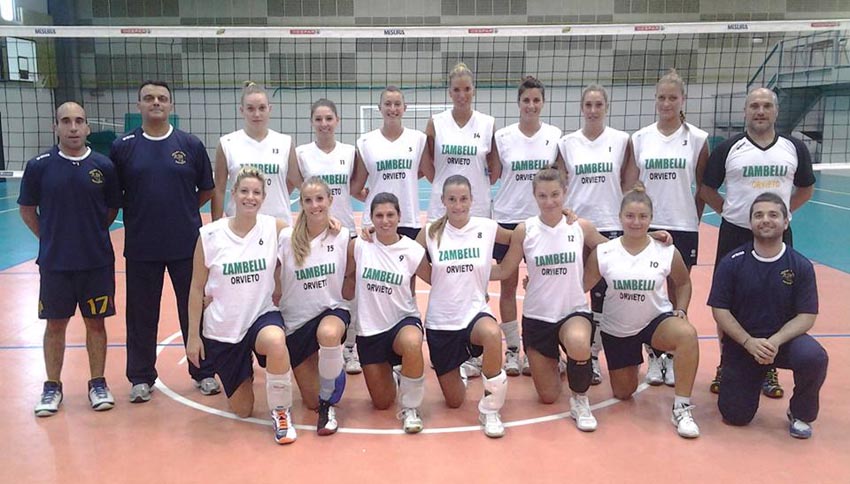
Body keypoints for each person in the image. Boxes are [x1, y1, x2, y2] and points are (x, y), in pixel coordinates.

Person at [700, 87, 816, 397]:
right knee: (728, 301)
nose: (760, 111)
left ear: (776, 111)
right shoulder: (729, 148)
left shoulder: (794, 148)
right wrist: (732, 213)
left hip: (777, 237)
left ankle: (770, 366)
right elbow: (707, 189)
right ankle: (727, 362)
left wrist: (780, 217)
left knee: (778, 300)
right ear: (745, 112)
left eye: (766, 105)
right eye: (754, 106)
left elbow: (805, 188)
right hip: (735, 233)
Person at [110, 80, 218, 403]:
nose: (155, 102)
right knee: (140, 314)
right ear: (139, 105)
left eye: (161, 98)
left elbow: (206, 189)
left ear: (171, 105)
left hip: (186, 243)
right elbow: (115, 194)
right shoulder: (123, 146)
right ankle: (141, 377)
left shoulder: (190, 144)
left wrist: (181, 209)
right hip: (142, 244)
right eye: (149, 98)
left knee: (194, 308)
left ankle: (204, 371)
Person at [19, 102, 121, 416]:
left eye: (79, 121)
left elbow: (111, 209)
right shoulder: (39, 166)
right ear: (56, 127)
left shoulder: (104, 166)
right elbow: (27, 210)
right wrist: (50, 238)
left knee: (96, 324)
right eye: (66, 121)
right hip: (56, 264)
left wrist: (91, 234)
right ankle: (52, 387)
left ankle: (98, 384)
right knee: (55, 325)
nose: (73, 127)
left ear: (88, 127)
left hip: (96, 262)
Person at [491, 167, 610, 432]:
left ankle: (580, 400)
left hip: (573, 312)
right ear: (534, 196)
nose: (549, 201)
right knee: (548, 396)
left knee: (578, 341)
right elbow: (505, 270)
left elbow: (611, 249)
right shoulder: (525, 230)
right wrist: (462, 268)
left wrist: (585, 281)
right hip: (538, 317)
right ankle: (559, 361)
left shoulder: (580, 227)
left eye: (555, 194)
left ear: (565, 193)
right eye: (543, 196)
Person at [186, 167, 296, 444]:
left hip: (261, 317)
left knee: (276, 340)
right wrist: (193, 337)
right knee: (243, 410)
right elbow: (196, 287)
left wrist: (332, 223)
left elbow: (307, 236)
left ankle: (281, 412)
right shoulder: (210, 235)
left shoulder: (273, 227)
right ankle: (241, 371)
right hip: (224, 329)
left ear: (263, 197)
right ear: (233, 194)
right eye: (244, 191)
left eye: (256, 192)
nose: (250, 197)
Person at [584, 185, 701, 439]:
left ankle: (681, 408)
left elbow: (683, 282)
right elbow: (580, 286)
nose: (636, 222)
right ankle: (635, 360)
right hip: (618, 328)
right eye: (630, 216)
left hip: (655, 322)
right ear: (620, 217)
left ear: (651, 218)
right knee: (623, 392)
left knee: (687, 335)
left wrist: (681, 309)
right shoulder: (604, 252)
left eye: (642, 216)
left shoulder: (665, 250)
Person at [708, 193, 827, 439]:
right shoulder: (732, 262)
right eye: (758, 215)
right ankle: (752, 377)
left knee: (813, 356)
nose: (765, 220)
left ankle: (800, 413)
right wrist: (748, 342)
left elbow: (807, 315)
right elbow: (720, 310)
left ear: (786, 221)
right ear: (750, 222)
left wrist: (775, 341)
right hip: (745, 345)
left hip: (784, 343)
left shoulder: (800, 265)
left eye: (773, 215)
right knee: (735, 416)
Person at [624, 69, 709, 387]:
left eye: (673, 97)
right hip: (647, 225)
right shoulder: (640, 138)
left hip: (682, 225)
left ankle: (671, 356)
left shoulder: (697, 139)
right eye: (662, 97)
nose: (667, 103)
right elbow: (631, 185)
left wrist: (691, 218)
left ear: (682, 99)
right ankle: (654, 356)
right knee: (648, 290)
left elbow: (703, 187)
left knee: (676, 291)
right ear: (655, 100)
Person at [416, 175, 511, 438]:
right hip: (441, 322)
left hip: (474, 313)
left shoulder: (487, 227)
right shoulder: (430, 232)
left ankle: (490, 409)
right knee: (455, 401)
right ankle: (462, 366)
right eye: (452, 199)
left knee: (492, 334)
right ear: (443, 201)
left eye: (463, 199)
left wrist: (564, 216)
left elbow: (522, 236)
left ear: (472, 200)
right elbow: (403, 253)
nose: (458, 205)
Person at [421, 62, 499, 378]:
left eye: (467, 89)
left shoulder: (487, 123)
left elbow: (495, 169)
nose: (462, 94)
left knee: (476, 278)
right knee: (448, 275)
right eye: (457, 89)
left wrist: (473, 192)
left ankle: (475, 351)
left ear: (473, 90)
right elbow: (427, 164)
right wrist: (444, 189)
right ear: (449, 92)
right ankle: (448, 340)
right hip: (443, 211)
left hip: (476, 210)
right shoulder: (436, 123)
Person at [556, 84, 632, 385]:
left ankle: (593, 356)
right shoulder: (567, 143)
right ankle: (568, 352)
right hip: (575, 226)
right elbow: (559, 183)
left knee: (602, 295)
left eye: (598, 104)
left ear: (606, 107)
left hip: (609, 225)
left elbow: (628, 183)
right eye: (588, 104)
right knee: (572, 291)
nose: (593, 110)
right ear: (581, 107)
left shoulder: (621, 140)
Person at [490, 76, 562, 377]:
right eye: (526, 100)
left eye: (536, 100)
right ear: (518, 103)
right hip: (507, 217)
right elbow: (492, 175)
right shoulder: (503, 137)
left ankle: (536, 348)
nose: (531, 105)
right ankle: (511, 349)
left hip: (541, 221)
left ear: (543, 103)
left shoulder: (554, 136)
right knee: (507, 286)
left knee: (541, 286)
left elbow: (559, 179)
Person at [343, 193, 430, 433]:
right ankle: (402, 373)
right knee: (382, 403)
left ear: (399, 216)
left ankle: (411, 408)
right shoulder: (359, 246)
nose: (385, 221)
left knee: (412, 343)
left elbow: (438, 279)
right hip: (370, 331)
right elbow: (344, 276)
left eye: (390, 215)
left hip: (403, 321)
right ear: (370, 219)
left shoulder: (412, 250)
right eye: (379, 216)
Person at [278, 177, 349, 436]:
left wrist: (370, 232)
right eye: (308, 200)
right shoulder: (286, 237)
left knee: (328, 334)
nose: (315, 205)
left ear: (330, 200)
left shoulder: (342, 235)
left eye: (320, 199)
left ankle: (328, 407)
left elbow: (373, 242)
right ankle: (332, 372)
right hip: (296, 322)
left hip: (331, 310)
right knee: (310, 401)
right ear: (301, 203)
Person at [295, 99, 361, 375]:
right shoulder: (301, 154)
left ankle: (351, 348)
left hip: (345, 231)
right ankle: (316, 344)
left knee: (351, 291)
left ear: (337, 121)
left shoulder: (350, 152)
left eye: (329, 118)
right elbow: (298, 190)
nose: (324, 124)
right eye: (319, 119)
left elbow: (355, 187)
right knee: (316, 288)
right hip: (313, 233)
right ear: (312, 122)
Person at [212, 81, 300, 224]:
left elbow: (298, 182)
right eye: (250, 109)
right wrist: (216, 227)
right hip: (240, 225)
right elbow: (219, 190)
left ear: (269, 109)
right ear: (242, 110)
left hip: (278, 224)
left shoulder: (285, 142)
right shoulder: (227, 143)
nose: (257, 114)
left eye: (262, 108)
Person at [351, 86, 428, 240]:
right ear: (380, 108)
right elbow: (356, 187)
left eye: (397, 104)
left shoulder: (418, 139)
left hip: (408, 218)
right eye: (387, 104)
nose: (392, 108)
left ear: (404, 108)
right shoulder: (366, 142)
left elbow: (423, 171)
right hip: (377, 219)